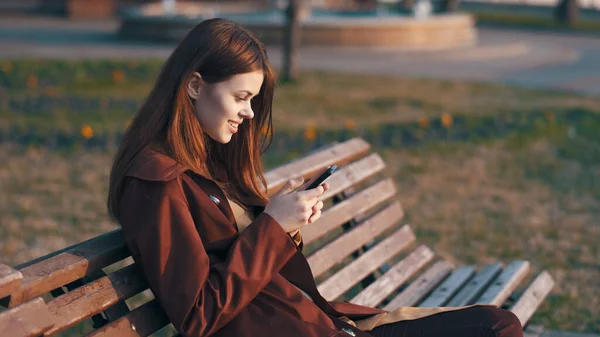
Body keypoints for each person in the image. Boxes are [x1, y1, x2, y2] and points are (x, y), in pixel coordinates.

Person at [107, 18, 524, 337]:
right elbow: (198, 314)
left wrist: (281, 222)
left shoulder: (206, 160)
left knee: (497, 324)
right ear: (195, 86)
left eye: (252, 100)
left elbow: (247, 262)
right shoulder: (155, 182)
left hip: (327, 322)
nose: (250, 113)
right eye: (241, 97)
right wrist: (273, 226)